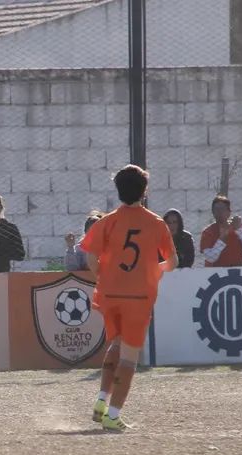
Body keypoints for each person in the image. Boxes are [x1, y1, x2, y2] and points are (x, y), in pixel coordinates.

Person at [79, 165, 177, 432]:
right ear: (145, 192)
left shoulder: (106, 221)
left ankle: (101, 401)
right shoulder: (156, 223)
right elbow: (172, 261)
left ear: (118, 190)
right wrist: (154, 271)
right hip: (138, 296)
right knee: (130, 357)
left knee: (117, 344)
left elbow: (90, 259)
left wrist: (106, 278)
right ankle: (113, 414)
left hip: (110, 295)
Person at [200, 196, 242, 268]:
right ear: (213, 212)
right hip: (214, 273)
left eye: (222, 209)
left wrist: (240, 229)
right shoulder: (208, 232)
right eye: (216, 209)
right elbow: (211, 258)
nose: (219, 212)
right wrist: (222, 238)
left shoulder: (237, 228)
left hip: (238, 270)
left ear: (229, 212)